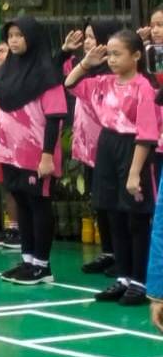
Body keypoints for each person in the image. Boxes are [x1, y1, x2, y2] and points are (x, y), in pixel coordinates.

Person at [67, 29, 159, 305]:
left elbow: (147, 134)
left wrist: (134, 173)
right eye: (110, 54)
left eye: (118, 54)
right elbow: (70, 84)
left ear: (136, 55)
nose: (113, 60)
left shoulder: (143, 87)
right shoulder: (104, 82)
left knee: (136, 219)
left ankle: (140, 282)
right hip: (107, 145)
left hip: (133, 149)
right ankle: (123, 277)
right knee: (114, 215)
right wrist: (87, 63)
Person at [0, 18, 66, 285]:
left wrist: (47, 155)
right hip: (9, 150)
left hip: (36, 152)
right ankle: (27, 260)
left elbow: (55, 116)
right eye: (11, 36)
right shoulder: (6, 71)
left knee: (38, 203)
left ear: (33, 38)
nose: (14, 41)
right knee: (21, 202)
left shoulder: (47, 75)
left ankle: (42, 264)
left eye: (19, 35)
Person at [63, 21, 124, 275]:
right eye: (86, 37)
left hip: (109, 148)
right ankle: (108, 252)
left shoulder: (111, 76)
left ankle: (122, 256)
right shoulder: (85, 70)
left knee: (114, 204)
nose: (87, 42)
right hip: (88, 148)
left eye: (91, 37)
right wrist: (68, 52)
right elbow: (65, 78)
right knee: (99, 202)